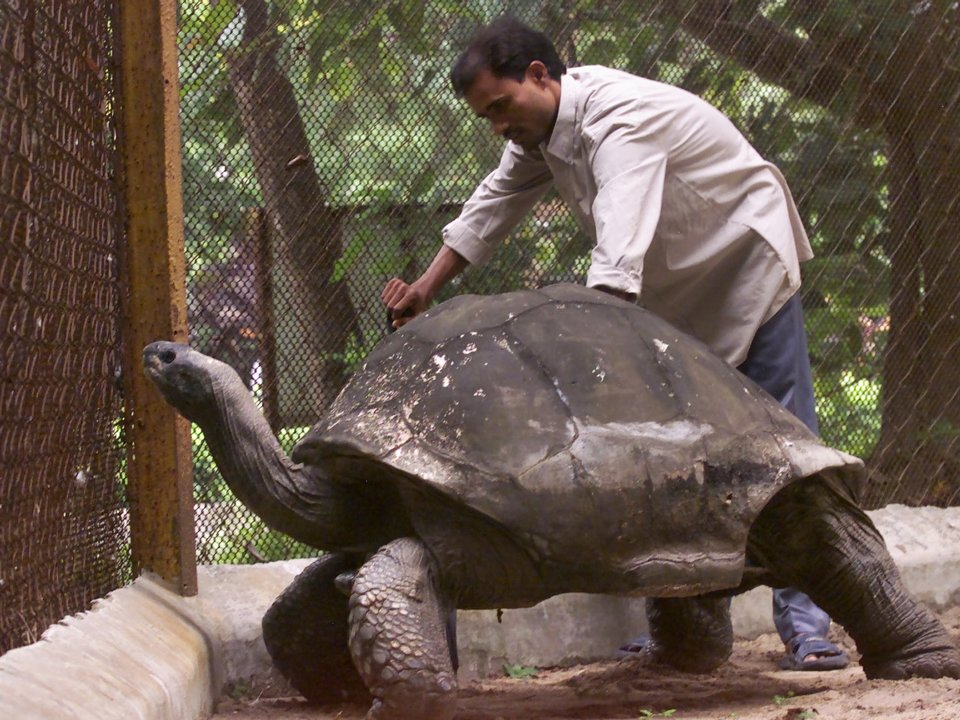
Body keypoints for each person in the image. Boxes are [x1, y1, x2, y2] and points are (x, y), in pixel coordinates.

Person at [381, 15, 847, 672]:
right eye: (486, 116)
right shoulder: (539, 133)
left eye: (500, 106)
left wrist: (586, 364)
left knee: (789, 457)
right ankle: (683, 632)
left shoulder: (620, 122)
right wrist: (426, 287)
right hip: (676, 299)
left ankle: (809, 628)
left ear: (539, 75)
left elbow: (617, 258)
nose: (497, 127)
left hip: (745, 269)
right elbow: (493, 204)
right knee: (679, 464)